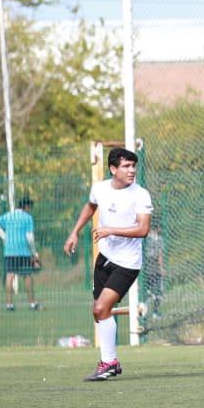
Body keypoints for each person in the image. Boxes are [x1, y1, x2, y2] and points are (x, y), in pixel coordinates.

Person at [64, 147, 154, 382]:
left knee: (100, 310)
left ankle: (110, 362)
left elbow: (143, 229)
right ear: (113, 169)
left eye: (133, 166)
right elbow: (90, 205)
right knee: (99, 313)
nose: (131, 170)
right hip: (104, 259)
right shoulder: (100, 188)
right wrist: (75, 232)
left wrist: (110, 230)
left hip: (127, 264)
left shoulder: (141, 194)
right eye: (126, 166)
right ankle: (109, 362)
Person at [0, 195, 41, 311]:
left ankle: (9, 304)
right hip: (23, 250)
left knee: (10, 276)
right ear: (27, 206)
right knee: (27, 276)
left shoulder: (9, 215)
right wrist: (34, 252)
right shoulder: (27, 218)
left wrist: (4, 236)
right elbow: (30, 237)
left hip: (9, 250)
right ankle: (32, 303)